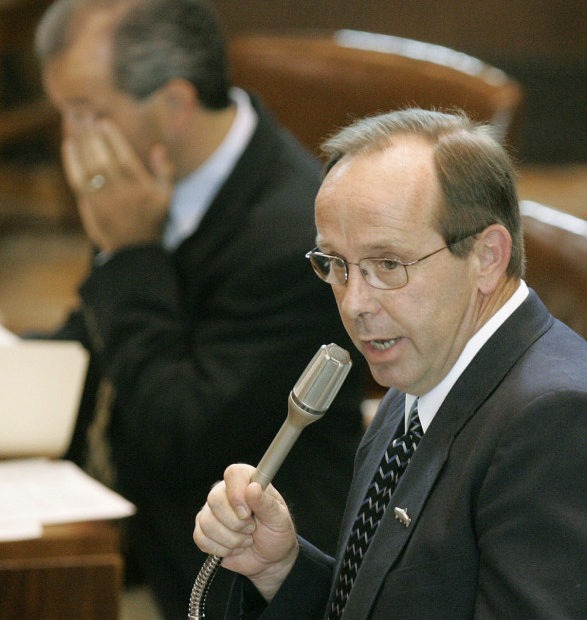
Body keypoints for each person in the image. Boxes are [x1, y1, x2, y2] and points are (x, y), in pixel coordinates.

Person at [34, 0, 365, 617]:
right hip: (139, 524)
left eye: (86, 113)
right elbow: (100, 335)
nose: (71, 141)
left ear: (174, 106)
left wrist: (129, 252)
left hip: (224, 579)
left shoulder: (298, 240)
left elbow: (178, 434)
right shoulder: (143, 175)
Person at [194, 108, 587, 618]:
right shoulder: (417, 380)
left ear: (487, 257)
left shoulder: (554, 422)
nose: (355, 303)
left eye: (387, 264)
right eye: (336, 265)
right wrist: (281, 570)